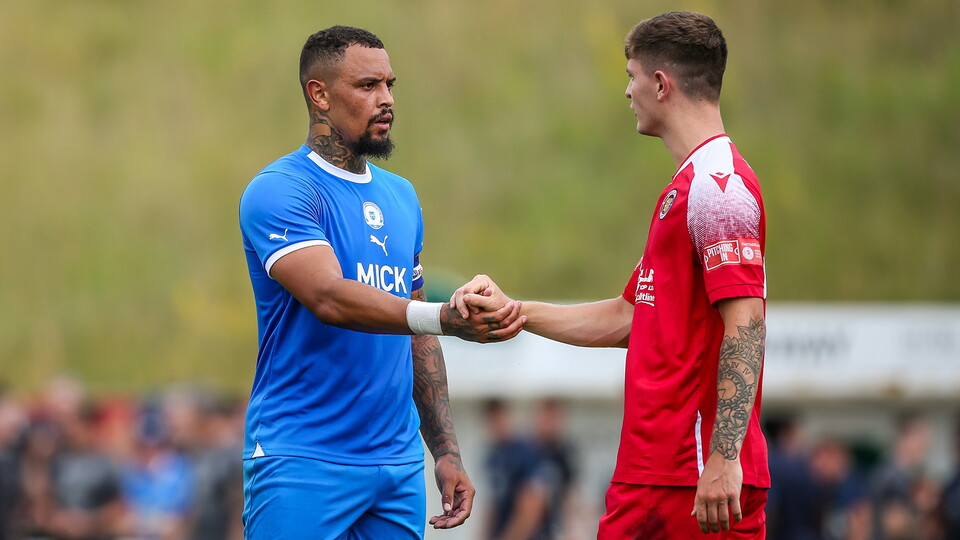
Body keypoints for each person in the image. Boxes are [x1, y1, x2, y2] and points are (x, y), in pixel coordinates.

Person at [452, 11, 770, 538]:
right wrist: (517, 312)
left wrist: (723, 456)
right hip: (654, 473)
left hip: (693, 476)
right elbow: (628, 317)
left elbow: (747, 324)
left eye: (632, 76)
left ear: (661, 84)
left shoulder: (719, 187)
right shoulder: (684, 190)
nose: (627, 91)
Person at [237, 25, 525, 540]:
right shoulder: (279, 191)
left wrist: (446, 450)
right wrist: (441, 315)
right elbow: (328, 297)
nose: (386, 100)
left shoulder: (401, 196)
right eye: (367, 86)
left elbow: (413, 331)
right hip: (304, 459)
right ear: (318, 93)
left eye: (390, 85)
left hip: (395, 466)